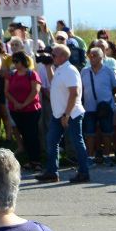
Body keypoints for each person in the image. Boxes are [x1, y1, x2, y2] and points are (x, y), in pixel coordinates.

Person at [34, 43, 93, 185]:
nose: (51, 57)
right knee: (51, 142)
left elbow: (74, 93)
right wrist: (48, 66)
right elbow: (54, 82)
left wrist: (66, 114)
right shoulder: (60, 69)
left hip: (71, 113)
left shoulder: (70, 70)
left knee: (77, 142)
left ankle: (84, 173)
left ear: (63, 56)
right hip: (59, 114)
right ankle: (52, 172)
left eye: (53, 55)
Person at [6, 51, 43, 171]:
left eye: (17, 61)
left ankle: (36, 160)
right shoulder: (11, 75)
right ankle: (30, 160)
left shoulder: (32, 74)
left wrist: (24, 104)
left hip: (31, 109)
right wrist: (16, 103)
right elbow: (6, 91)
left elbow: (35, 91)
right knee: (24, 135)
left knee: (32, 134)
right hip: (16, 110)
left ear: (23, 61)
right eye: (13, 61)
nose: (15, 64)